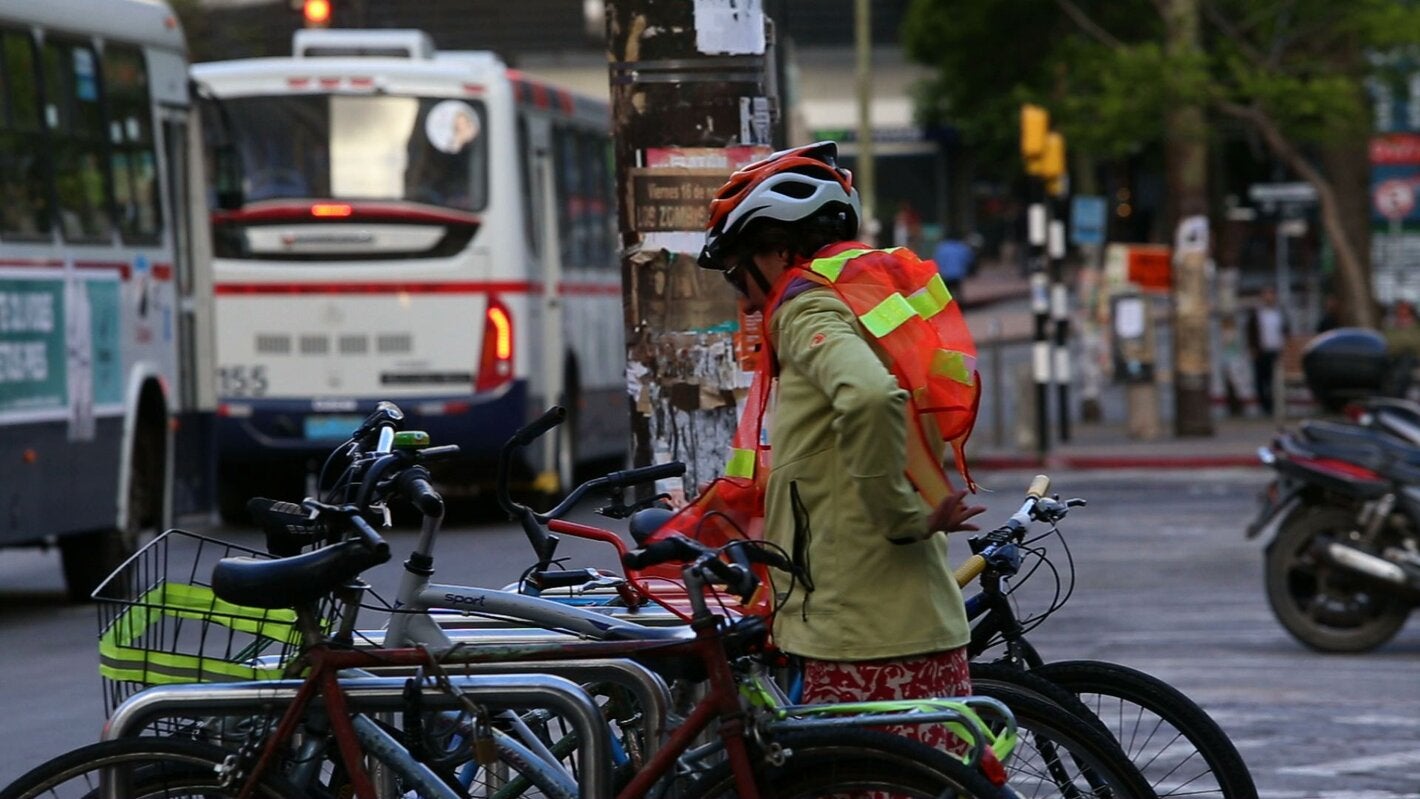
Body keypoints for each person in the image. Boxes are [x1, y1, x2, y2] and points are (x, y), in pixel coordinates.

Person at [692, 141, 985, 749]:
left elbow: (871, 398)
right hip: (914, 620)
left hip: (860, 632)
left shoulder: (806, 308)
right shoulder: (870, 300)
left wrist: (900, 517)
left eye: (735, 267)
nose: (739, 294)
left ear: (775, 250)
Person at [1245, 286, 1288, 415]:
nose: (1269, 297)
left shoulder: (1279, 314)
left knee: (1274, 380)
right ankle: (1264, 406)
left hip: (1276, 351)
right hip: (1261, 351)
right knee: (1260, 379)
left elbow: (1285, 331)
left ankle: (1274, 405)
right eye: (1266, 294)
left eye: (1271, 294)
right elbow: (1250, 332)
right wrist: (1253, 348)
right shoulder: (1256, 314)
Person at [933, 232, 975, 302]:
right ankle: (960, 305)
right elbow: (969, 259)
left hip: (945, 274)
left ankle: (950, 306)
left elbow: (936, 260)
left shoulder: (942, 247)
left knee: (948, 292)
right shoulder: (961, 247)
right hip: (958, 273)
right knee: (958, 290)